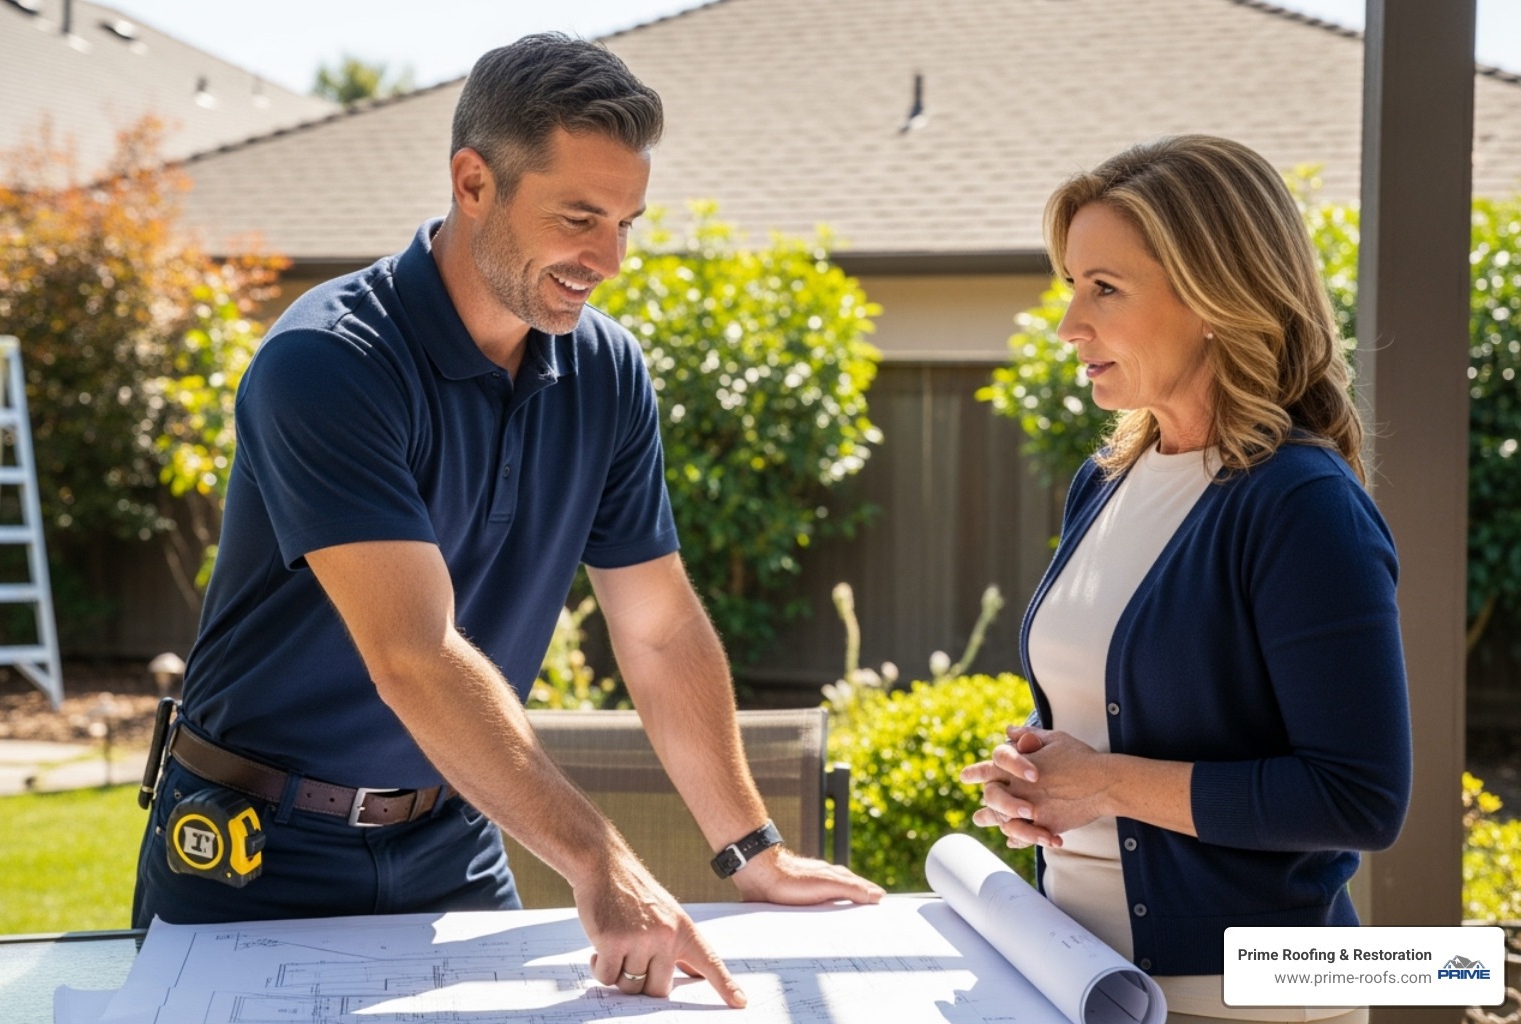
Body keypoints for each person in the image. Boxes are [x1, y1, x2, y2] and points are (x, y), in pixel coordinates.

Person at [132, 32, 882, 1007]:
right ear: (473, 180)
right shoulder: (329, 363)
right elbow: (414, 652)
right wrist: (600, 858)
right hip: (255, 847)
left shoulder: (606, 374)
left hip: (453, 832)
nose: (608, 258)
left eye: (626, 221)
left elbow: (657, 629)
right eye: (579, 217)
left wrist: (751, 846)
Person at [959, 135, 1411, 1024]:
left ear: (1213, 297)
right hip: (1085, 975)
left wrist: (1108, 782)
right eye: (1070, 288)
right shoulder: (1107, 480)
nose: (1068, 327)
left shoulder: (1298, 503)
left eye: (1105, 288)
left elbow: (1359, 798)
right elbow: (1105, 729)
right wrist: (1045, 780)